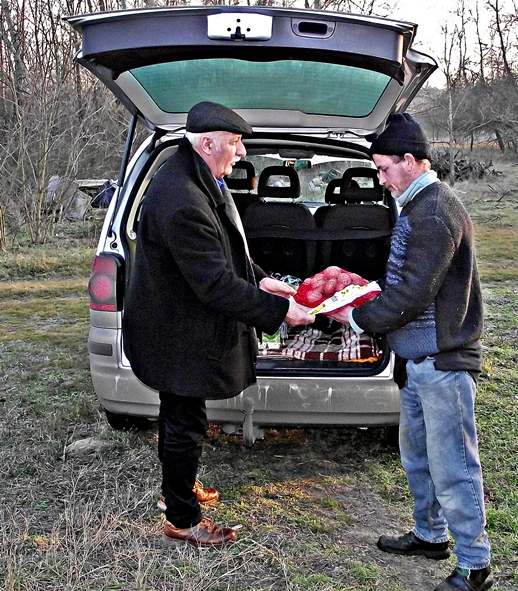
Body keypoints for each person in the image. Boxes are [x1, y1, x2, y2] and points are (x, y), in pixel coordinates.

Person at [123, 101, 314, 547]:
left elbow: (231, 251)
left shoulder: (201, 177)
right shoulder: (181, 199)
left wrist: (266, 281)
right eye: (235, 142)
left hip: (181, 325)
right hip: (176, 332)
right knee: (184, 421)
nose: (242, 151)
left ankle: (179, 490)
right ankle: (182, 520)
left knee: (182, 416)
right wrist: (282, 313)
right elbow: (214, 283)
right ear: (207, 143)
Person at [329, 114, 493, 591]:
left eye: (383, 168)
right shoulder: (416, 206)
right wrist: (365, 291)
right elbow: (404, 283)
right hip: (417, 361)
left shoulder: (435, 212)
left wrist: (356, 317)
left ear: (408, 160)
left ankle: (474, 566)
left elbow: (414, 295)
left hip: (443, 362)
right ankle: (429, 535)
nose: (380, 179)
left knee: (454, 466)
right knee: (417, 458)